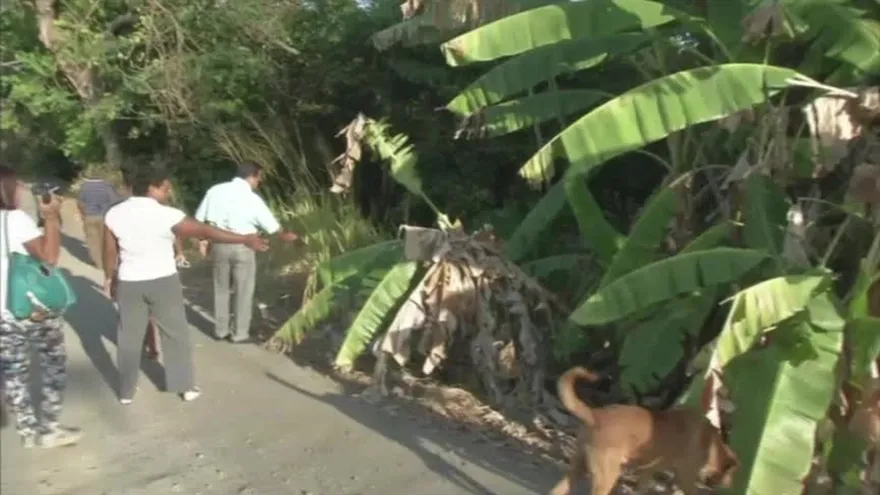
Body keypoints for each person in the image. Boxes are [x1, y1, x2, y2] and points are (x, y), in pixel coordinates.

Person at [102, 160, 268, 404]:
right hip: (163, 281)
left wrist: (109, 277)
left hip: (129, 282)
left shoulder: (114, 213)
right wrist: (244, 239)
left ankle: (126, 391)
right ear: (152, 188)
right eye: (166, 189)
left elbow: (109, 252)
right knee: (175, 334)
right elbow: (206, 231)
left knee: (128, 337)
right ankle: (184, 386)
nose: (168, 194)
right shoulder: (167, 214)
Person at [0, 165, 82, 448]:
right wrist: (49, 218)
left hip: (1, 315)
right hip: (29, 307)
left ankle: (26, 433)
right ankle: (48, 430)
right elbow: (48, 257)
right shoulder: (14, 219)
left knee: (13, 373)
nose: (21, 189)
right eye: (16, 184)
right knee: (53, 365)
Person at [194, 163, 299, 344]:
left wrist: (203, 241)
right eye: (259, 177)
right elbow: (273, 227)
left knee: (221, 288)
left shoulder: (215, 191)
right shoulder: (252, 199)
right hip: (244, 246)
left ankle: (220, 330)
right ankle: (239, 333)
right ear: (251, 176)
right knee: (244, 290)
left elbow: (199, 220)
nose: (259, 182)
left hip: (219, 244)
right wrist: (288, 236)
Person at [76, 170, 120, 270]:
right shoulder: (107, 186)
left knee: (93, 241)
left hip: (90, 216)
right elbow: (114, 201)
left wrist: (84, 214)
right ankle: (108, 261)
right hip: (105, 216)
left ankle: (98, 263)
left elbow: (80, 203)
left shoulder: (84, 187)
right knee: (105, 240)